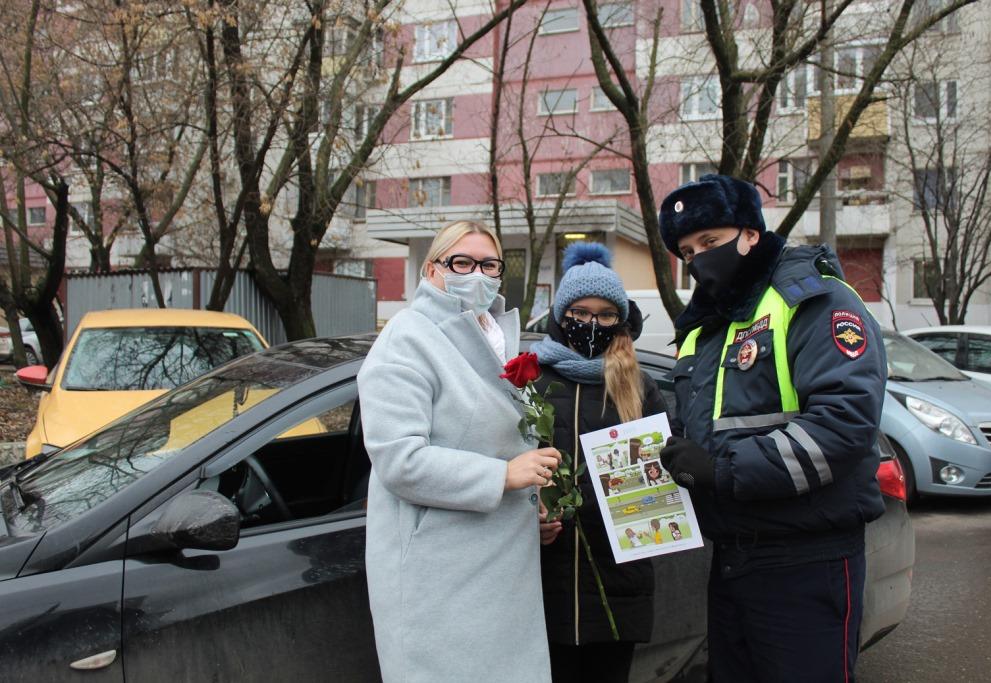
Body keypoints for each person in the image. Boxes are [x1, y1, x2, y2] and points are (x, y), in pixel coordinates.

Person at [656, 174, 887, 682]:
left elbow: (843, 423)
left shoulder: (812, 299)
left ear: (751, 234)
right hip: (733, 558)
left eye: (710, 242)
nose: (698, 258)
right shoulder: (704, 327)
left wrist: (722, 470)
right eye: (688, 252)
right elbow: (697, 425)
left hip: (806, 559)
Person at [357, 221, 561, 683]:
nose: (478, 275)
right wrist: (503, 476)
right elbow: (400, 461)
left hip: (499, 569)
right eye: (462, 262)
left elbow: (498, 438)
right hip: (442, 574)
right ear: (432, 269)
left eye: (489, 265)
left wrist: (532, 504)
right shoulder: (406, 339)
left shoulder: (492, 332)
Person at [531, 242, 668, 683]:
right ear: (561, 315)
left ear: (621, 320)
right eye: (581, 311)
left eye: (606, 314)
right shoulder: (532, 381)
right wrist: (527, 513)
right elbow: (505, 465)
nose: (592, 323)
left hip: (617, 585)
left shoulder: (639, 386)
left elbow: (663, 475)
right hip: (542, 583)